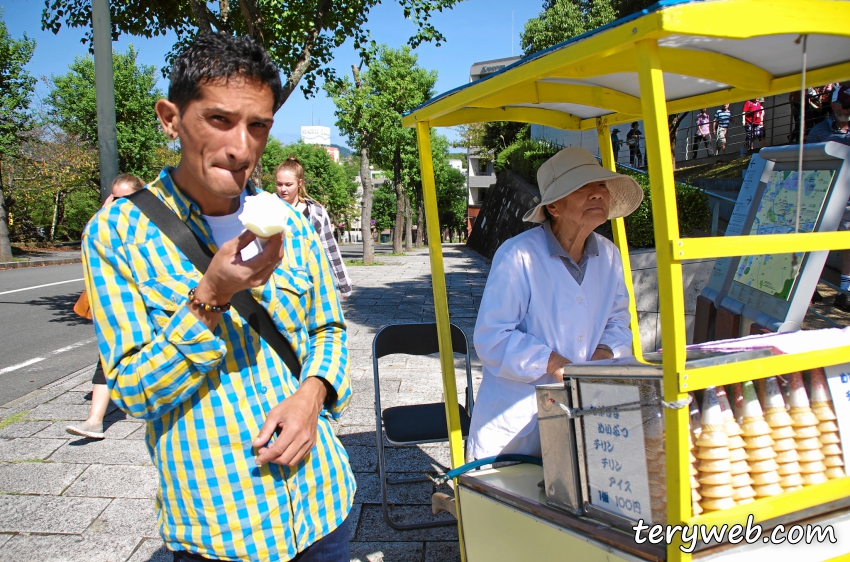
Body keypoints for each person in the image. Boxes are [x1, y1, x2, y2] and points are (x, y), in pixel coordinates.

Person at [81, 33, 354, 561]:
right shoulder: (116, 234)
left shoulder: (289, 225)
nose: (241, 147)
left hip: (324, 508)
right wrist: (211, 294)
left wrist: (312, 395)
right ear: (170, 117)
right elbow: (134, 392)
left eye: (259, 126)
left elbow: (329, 330)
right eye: (219, 120)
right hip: (223, 527)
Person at [467, 147, 643, 459]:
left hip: (581, 411)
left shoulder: (610, 255)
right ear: (555, 208)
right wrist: (554, 363)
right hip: (516, 420)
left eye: (601, 185)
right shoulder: (518, 254)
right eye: (582, 187)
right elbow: (492, 337)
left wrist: (603, 355)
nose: (597, 194)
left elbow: (618, 320)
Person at [66, 174, 144, 440]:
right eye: (113, 197)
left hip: (148, 302)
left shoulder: (149, 222)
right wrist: (102, 213)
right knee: (108, 356)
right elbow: (89, 244)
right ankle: (94, 420)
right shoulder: (105, 222)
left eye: (123, 198)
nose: (116, 202)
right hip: (117, 301)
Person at [275, 156, 352, 299]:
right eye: (279, 184)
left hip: (310, 282)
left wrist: (344, 285)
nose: (283, 189)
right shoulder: (268, 207)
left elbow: (329, 247)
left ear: (299, 183)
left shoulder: (315, 212)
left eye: (288, 184)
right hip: (277, 282)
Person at [807, 84, 850, 312]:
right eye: (845, 105)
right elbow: (807, 163)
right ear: (833, 105)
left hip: (848, 199)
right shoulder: (819, 131)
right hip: (821, 198)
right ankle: (809, 285)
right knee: (817, 243)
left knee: (848, 243)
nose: (848, 110)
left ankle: (845, 291)